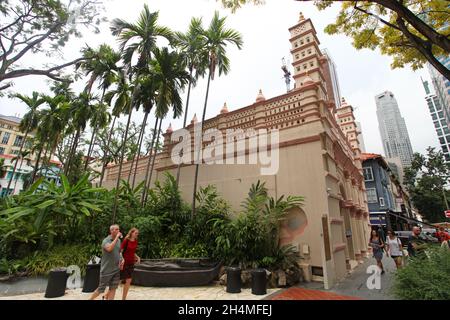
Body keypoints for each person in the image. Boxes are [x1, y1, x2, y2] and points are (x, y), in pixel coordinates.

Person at [89, 224, 122, 300]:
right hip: (106, 270)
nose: (118, 231)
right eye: (116, 229)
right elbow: (109, 249)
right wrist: (116, 238)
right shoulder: (105, 241)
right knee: (100, 289)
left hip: (116, 269)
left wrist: (122, 259)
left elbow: (119, 252)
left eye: (118, 229)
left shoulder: (119, 241)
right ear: (111, 231)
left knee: (113, 288)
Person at [120, 227, 141, 300]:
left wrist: (137, 257)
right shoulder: (126, 240)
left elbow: (133, 252)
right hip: (124, 263)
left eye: (137, 233)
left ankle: (123, 299)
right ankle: (107, 295)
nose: (136, 235)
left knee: (128, 280)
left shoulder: (135, 241)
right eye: (135, 233)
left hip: (131, 263)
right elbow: (120, 251)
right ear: (131, 233)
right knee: (118, 281)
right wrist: (121, 260)